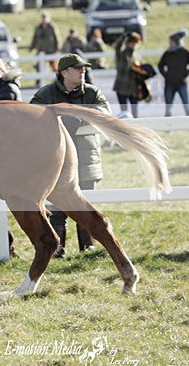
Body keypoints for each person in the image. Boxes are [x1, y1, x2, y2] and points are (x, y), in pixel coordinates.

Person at [30, 53, 111, 257]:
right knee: (56, 207)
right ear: (64, 72)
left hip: (86, 159)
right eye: (78, 68)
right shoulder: (45, 94)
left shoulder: (93, 93)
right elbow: (32, 115)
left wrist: (77, 116)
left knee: (84, 206)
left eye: (84, 68)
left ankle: (88, 247)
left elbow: (104, 113)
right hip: (56, 161)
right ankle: (58, 249)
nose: (83, 71)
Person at [157, 28, 189, 117]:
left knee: (186, 105)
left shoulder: (185, 52)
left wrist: (186, 74)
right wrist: (166, 75)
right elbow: (160, 66)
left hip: (182, 83)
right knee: (168, 107)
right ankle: (168, 126)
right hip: (169, 83)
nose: (170, 43)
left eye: (172, 42)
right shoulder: (167, 53)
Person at [112, 32, 143, 118]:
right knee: (124, 112)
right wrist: (123, 37)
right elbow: (118, 46)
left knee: (135, 112)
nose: (133, 45)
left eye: (135, 43)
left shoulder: (136, 56)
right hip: (122, 85)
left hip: (133, 87)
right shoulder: (121, 54)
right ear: (128, 43)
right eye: (132, 42)